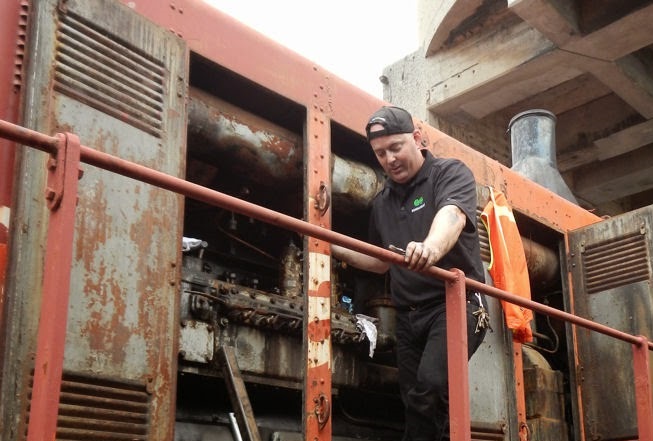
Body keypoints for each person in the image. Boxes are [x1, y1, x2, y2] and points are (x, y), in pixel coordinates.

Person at [332, 106, 488, 441]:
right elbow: (382, 261)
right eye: (380, 153)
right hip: (409, 318)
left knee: (427, 392)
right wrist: (329, 245)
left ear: (417, 138)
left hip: (455, 306)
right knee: (416, 401)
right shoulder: (382, 203)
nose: (389, 159)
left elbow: (453, 216)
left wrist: (430, 248)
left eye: (395, 147)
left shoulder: (450, 173)